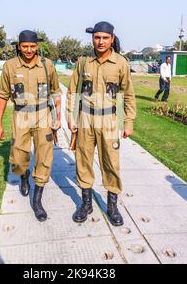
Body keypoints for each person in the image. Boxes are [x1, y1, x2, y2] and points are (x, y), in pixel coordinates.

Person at [66, 21, 137, 227]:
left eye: (105, 38)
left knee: (111, 162)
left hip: (110, 119)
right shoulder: (83, 62)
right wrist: (71, 117)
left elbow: (128, 95)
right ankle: (86, 203)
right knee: (83, 160)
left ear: (112, 39)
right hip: (86, 118)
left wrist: (128, 121)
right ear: (92, 38)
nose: (101, 41)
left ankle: (112, 206)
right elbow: (73, 91)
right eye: (97, 37)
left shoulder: (121, 63)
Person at [0, 30, 62, 222]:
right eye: (25, 46)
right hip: (21, 114)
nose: (29, 50)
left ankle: (37, 199)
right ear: (18, 46)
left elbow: (56, 91)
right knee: (18, 156)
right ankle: (24, 176)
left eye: (32, 46)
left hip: (43, 114)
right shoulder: (10, 66)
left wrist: (58, 116)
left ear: (37, 46)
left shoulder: (47, 65)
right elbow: (3, 95)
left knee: (44, 155)